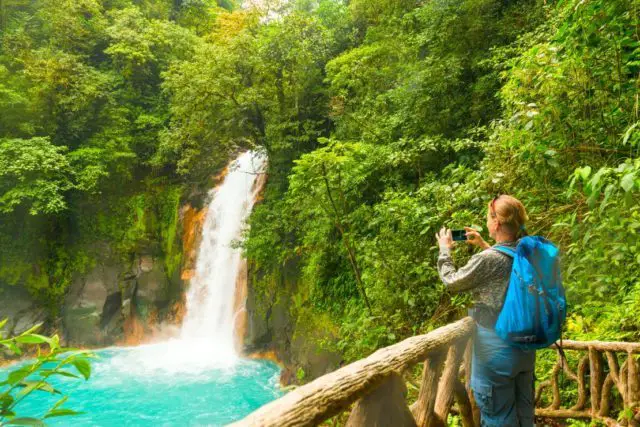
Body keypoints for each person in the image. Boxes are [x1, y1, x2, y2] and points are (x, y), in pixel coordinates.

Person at [435, 194, 535, 427]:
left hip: (496, 348)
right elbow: (505, 267)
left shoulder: (489, 260)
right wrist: (484, 245)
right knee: (524, 415)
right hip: (526, 346)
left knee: (499, 418)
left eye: (488, 218)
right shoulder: (525, 250)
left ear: (496, 223)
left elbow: (452, 281)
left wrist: (444, 250)